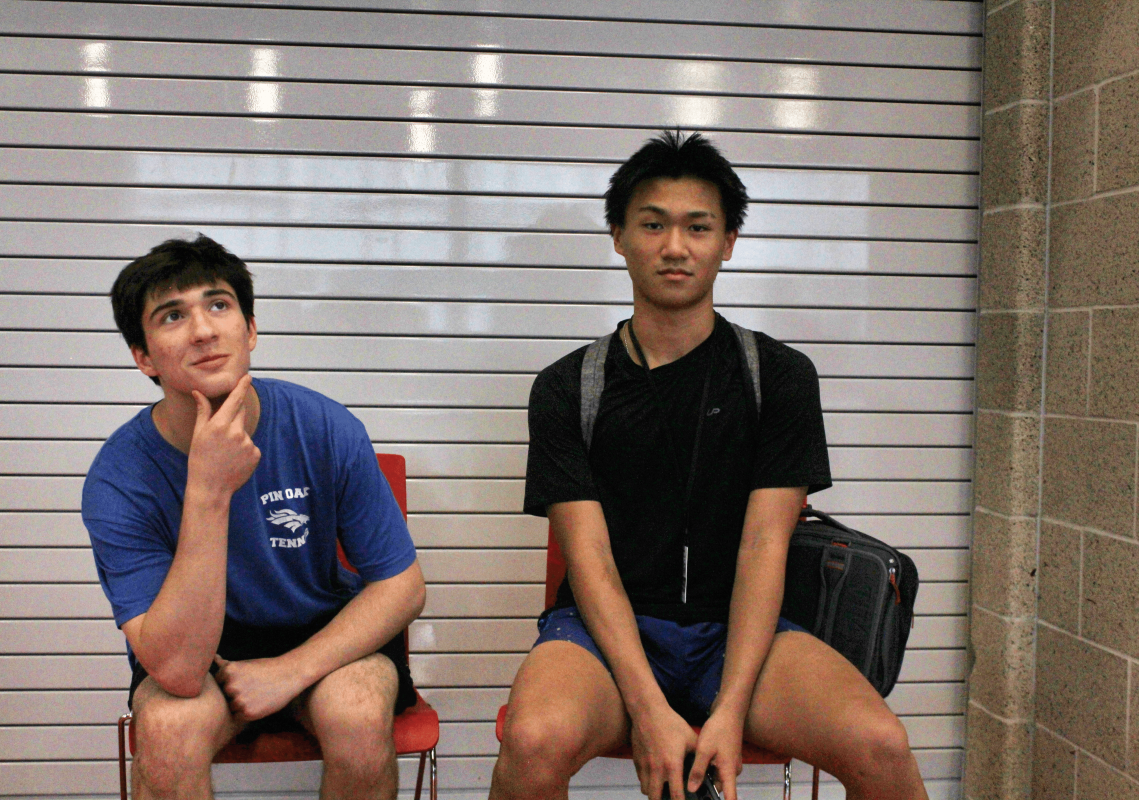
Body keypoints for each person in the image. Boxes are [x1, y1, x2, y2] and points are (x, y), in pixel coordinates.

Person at [489, 132, 928, 800]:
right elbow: (590, 560)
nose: (674, 246)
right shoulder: (567, 387)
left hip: (741, 632)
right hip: (605, 638)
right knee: (532, 741)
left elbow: (763, 547)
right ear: (618, 236)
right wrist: (647, 708)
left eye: (698, 227)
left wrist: (728, 707)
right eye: (653, 224)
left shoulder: (776, 376)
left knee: (882, 746)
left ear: (727, 242)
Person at [82, 235, 425, 800]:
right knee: (168, 732)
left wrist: (289, 670)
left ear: (251, 329)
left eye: (219, 305)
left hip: (322, 631)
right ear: (143, 356)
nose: (203, 330)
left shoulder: (325, 426)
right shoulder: (119, 477)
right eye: (172, 316)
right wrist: (208, 490)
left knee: (358, 716)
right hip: (197, 643)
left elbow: (402, 586)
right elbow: (178, 669)